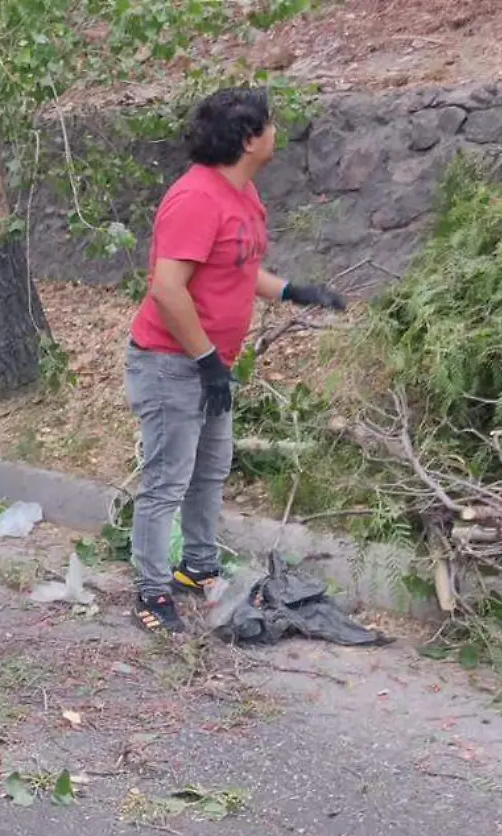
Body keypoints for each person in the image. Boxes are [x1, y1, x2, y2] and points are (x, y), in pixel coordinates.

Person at [124, 87, 345, 634]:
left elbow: (241, 270)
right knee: (166, 481)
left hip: (210, 364)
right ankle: (150, 593)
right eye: (270, 124)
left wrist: (297, 291)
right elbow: (167, 290)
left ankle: (197, 569)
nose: (277, 132)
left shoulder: (243, 195)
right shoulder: (195, 199)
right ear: (250, 139)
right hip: (172, 363)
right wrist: (205, 359)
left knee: (209, 471)